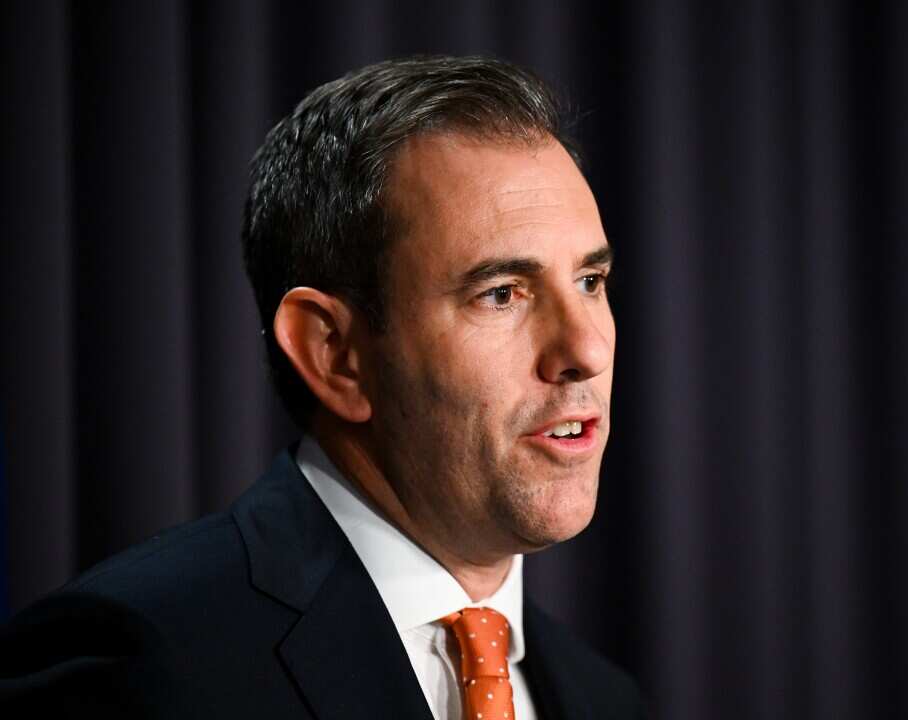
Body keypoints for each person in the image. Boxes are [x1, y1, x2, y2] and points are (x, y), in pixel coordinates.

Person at [0, 55, 644, 719]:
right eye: (502, 293)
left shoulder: (608, 700)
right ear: (332, 353)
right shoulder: (138, 667)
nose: (586, 350)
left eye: (590, 283)